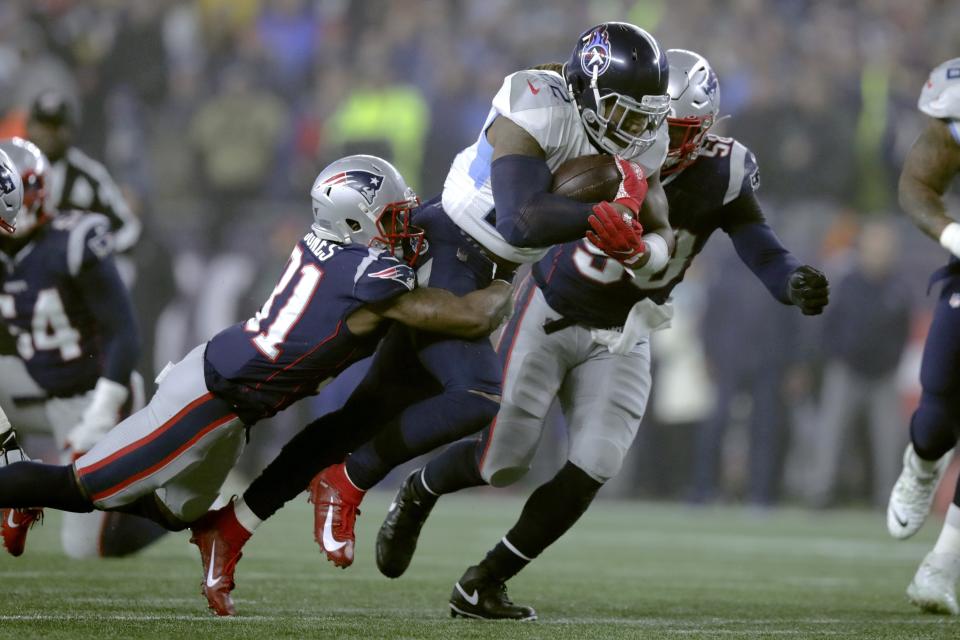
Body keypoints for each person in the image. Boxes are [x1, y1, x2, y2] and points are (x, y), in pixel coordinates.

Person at [182, 21, 674, 615]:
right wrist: (601, 214)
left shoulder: (639, 141)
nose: (638, 129)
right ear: (591, 90)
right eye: (625, 112)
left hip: (485, 271)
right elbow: (521, 220)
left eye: (645, 115)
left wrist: (644, 248)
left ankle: (229, 528)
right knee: (475, 395)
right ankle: (349, 479)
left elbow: (656, 220)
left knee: (363, 413)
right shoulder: (535, 101)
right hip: (445, 249)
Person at [378, 49, 829, 620]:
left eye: (682, 129)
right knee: (503, 461)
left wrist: (791, 281)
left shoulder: (724, 167)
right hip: (548, 308)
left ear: (707, 125)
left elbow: (757, 241)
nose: (661, 136)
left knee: (596, 462)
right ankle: (420, 489)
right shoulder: (601, 141)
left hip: (627, 327)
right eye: (655, 120)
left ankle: (485, 580)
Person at [0, 154, 512, 615]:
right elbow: (467, 318)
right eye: (393, 218)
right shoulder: (366, 274)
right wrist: (505, 272)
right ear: (355, 221)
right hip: (206, 398)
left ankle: (37, 487)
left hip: (236, 408)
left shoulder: (342, 253)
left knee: (175, 512)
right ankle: (31, 488)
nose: (406, 227)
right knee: (87, 489)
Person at [0, 137, 164, 559]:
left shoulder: (73, 240)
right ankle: (19, 481)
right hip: (40, 387)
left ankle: (189, 516)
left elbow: (125, 333)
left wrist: (99, 414)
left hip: (97, 394)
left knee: (88, 547)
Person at [886, 57, 960, 615]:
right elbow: (917, 183)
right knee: (937, 400)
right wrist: (951, 232)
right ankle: (923, 462)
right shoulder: (949, 113)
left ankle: (941, 565)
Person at [807, 220, 911, 508]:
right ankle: (820, 492)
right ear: (863, 248)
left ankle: (887, 498)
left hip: (884, 375)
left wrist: (892, 361)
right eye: (875, 246)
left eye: (885, 248)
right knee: (831, 434)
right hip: (846, 369)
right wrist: (835, 355)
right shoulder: (846, 282)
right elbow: (827, 323)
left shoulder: (899, 289)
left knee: (888, 440)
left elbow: (903, 332)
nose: (879, 253)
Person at [26, 91, 140, 257]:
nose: (48, 134)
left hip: (72, 276)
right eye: (42, 125)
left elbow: (128, 228)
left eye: (56, 126)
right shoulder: (10, 168)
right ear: (29, 126)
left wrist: (95, 255)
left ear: (70, 130)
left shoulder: (90, 174)